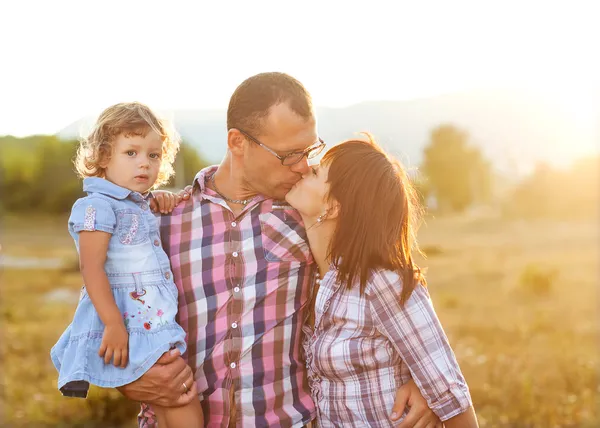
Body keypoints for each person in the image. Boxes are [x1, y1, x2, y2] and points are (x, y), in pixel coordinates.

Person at [121, 72, 442, 427]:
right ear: (238, 142)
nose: (303, 166)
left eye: (309, 151)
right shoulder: (161, 220)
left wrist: (416, 377)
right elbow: (97, 322)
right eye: (289, 155)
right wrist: (128, 380)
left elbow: (387, 289)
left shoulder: (309, 214)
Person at [284, 135, 479, 427]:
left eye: (315, 172)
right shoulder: (311, 280)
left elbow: (452, 397)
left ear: (334, 206)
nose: (303, 168)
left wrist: (424, 387)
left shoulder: (382, 283)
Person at [50, 102, 203, 428]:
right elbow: (91, 270)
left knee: (168, 398)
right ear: (104, 157)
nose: (144, 164)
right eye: (131, 153)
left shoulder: (137, 202)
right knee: (180, 395)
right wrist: (113, 325)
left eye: (153, 155)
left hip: (150, 319)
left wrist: (159, 200)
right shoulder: (97, 206)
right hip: (128, 322)